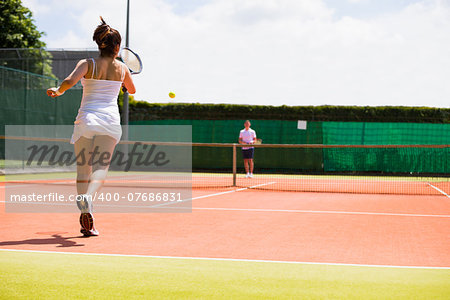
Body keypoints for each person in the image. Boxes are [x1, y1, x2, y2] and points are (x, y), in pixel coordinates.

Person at [47, 17, 135, 237]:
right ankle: (89, 200)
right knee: (101, 168)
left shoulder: (87, 63)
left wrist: (58, 91)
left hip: (86, 121)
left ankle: (86, 209)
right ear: (117, 47)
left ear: (99, 44)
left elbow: (68, 81)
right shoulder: (123, 69)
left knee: (82, 170)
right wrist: (123, 83)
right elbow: (131, 90)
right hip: (110, 122)